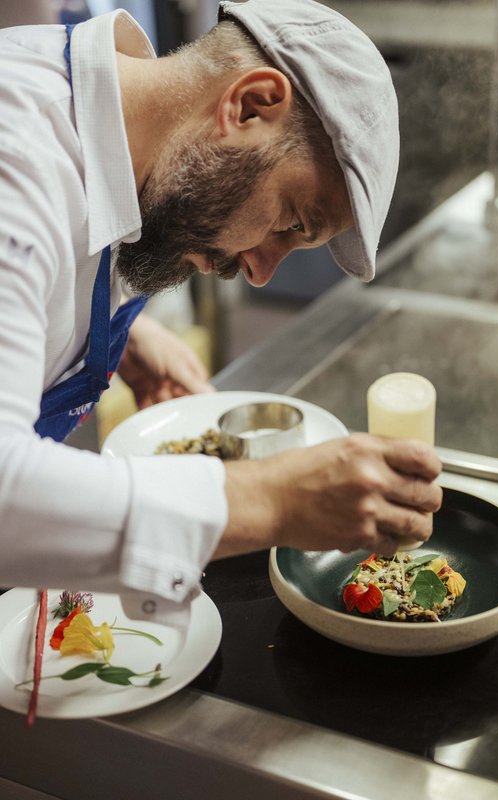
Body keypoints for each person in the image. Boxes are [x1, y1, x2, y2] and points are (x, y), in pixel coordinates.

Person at [0, 0, 442, 626]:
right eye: (291, 221)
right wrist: (274, 499)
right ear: (251, 103)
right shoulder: (15, 154)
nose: (261, 271)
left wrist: (101, 333)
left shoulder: (125, 144)